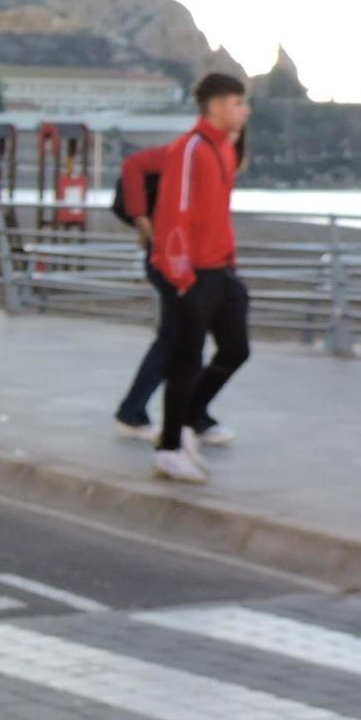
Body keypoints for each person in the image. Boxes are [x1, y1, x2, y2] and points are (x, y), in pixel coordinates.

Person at [150, 73, 252, 484]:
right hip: (192, 274)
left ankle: (189, 418)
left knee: (236, 349)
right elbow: (174, 212)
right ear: (215, 105)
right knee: (185, 360)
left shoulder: (224, 149)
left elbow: (216, 211)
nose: (244, 111)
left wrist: (229, 261)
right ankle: (170, 447)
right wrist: (180, 274)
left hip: (222, 270)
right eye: (237, 102)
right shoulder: (190, 149)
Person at [110, 144, 174, 439]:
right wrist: (142, 219)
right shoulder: (188, 149)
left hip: (181, 254)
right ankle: (134, 411)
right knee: (177, 339)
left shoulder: (214, 153)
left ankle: (135, 410)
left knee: (182, 339)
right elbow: (133, 164)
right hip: (172, 255)